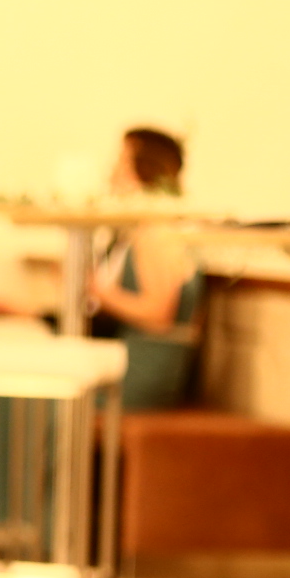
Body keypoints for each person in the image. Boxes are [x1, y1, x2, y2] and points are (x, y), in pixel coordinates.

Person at [87, 125, 202, 411]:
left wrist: (98, 291)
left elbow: (159, 315)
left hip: (143, 370)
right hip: (129, 356)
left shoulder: (156, 233)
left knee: (37, 397)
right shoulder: (148, 229)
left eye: (120, 161)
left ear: (144, 169)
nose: (111, 173)